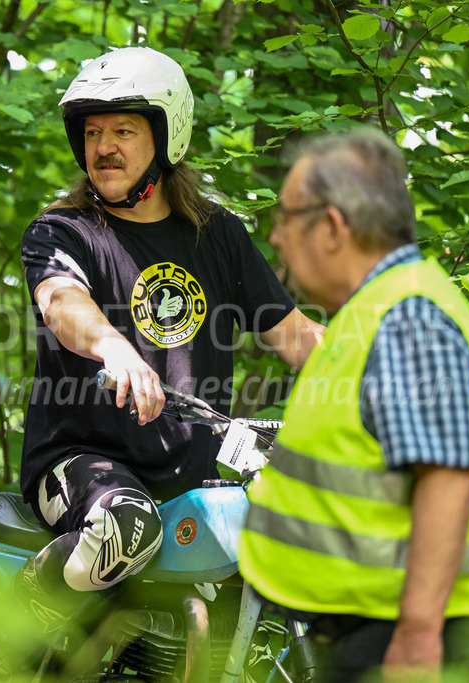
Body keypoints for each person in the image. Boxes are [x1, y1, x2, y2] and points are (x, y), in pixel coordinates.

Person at [17, 46, 324, 633]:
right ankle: (4, 631)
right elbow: (62, 303)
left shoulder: (217, 236)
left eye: (123, 130)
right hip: (79, 464)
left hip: (194, 475)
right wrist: (111, 346)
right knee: (126, 525)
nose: (103, 147)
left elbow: (294, 334)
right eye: (92, 132)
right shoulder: (63, 230)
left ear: (165, 135)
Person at [237, 128, 469, 682]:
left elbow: (445, 475)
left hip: (409, 641)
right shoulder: (371, 314)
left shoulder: (408, 316)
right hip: (373, 632)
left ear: (334, 227)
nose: (275, 237)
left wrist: (417, 637)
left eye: (287, 218)